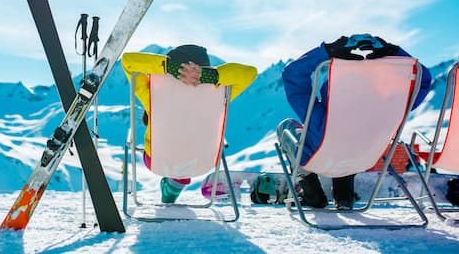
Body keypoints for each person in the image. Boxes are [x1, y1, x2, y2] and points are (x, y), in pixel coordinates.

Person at [276, 33, 432, 210]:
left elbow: (292, 74)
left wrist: (326, 51)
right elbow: (423, 79)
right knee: (350, 141)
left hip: (317, 159)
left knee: (287, 127)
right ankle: (344, 197)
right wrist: (393, 51)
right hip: (363, 160)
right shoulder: (390, 108)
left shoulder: (319, 114)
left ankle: (313, 195)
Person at [122, 44, 257, 203]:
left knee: (174, 151)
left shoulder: (154, 94)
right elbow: (250, 73)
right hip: (202, 162)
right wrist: (209, 76)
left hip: (158, 160)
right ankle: (173, 188)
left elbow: (127, 61)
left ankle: (171, 189)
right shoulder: (217, 92)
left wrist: (170, 68)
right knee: (185, 151)